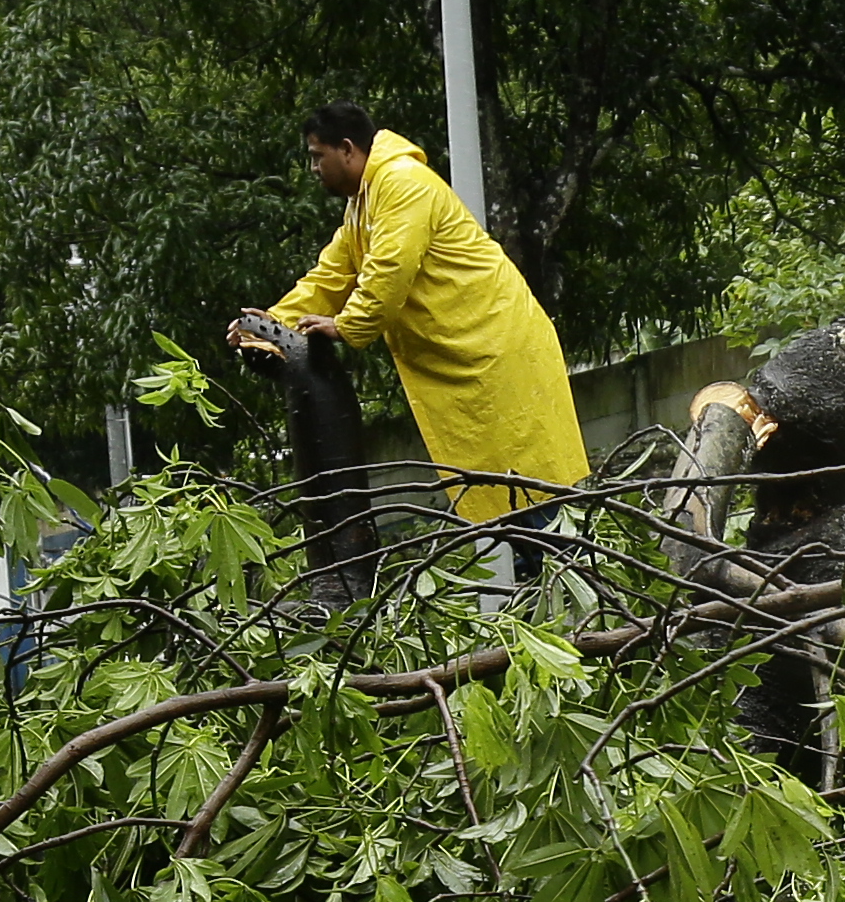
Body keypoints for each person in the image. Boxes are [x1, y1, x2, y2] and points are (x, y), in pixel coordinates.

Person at [230, 102, 585, 584]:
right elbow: (331, 274)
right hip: (470, 358)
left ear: (348, 150)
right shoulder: (364, 204)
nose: (315, 167)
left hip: (498, 352)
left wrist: (349, 325)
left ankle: (573, 605)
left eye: (318, 156)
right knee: (504, 500)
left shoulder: (401, 184)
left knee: (534, 495)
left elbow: (390, 269)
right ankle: (537, 602)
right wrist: (270, 322)